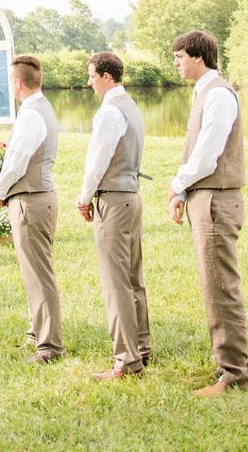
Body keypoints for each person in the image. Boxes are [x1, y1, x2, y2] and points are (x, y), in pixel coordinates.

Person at [167, 30, 248, 398]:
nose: (176, 62)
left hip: (216, 200)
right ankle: (228, 365)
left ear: (199, 57)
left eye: (180, 56)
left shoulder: (217, 94)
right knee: (213, 284)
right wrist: (184, 192)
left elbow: (207, 153)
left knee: (221, 287)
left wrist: (177, 183)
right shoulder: (205, 93)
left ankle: (234, 374)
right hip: (207, 198)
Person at [77, 52, 151, 380]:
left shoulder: (109, 112)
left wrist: (83, 197)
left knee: (115, 282)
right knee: (133, 278)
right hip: (132, 197)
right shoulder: (131, 107)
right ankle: (142, 348)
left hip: (114, 200)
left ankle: (126, 360)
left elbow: (98, 160)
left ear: (107, 76)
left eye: (92, 76)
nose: (89, 82)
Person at [0, 56, 65, 364]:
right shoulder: (40, 108)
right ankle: (37, 331)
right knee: (33, 270)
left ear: (18, 83)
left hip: (31, 199)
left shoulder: (32, 115)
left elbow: (16, 161)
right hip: (37, 196)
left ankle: (49, 346)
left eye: (11, 80)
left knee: (39, 273)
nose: (10, 85)